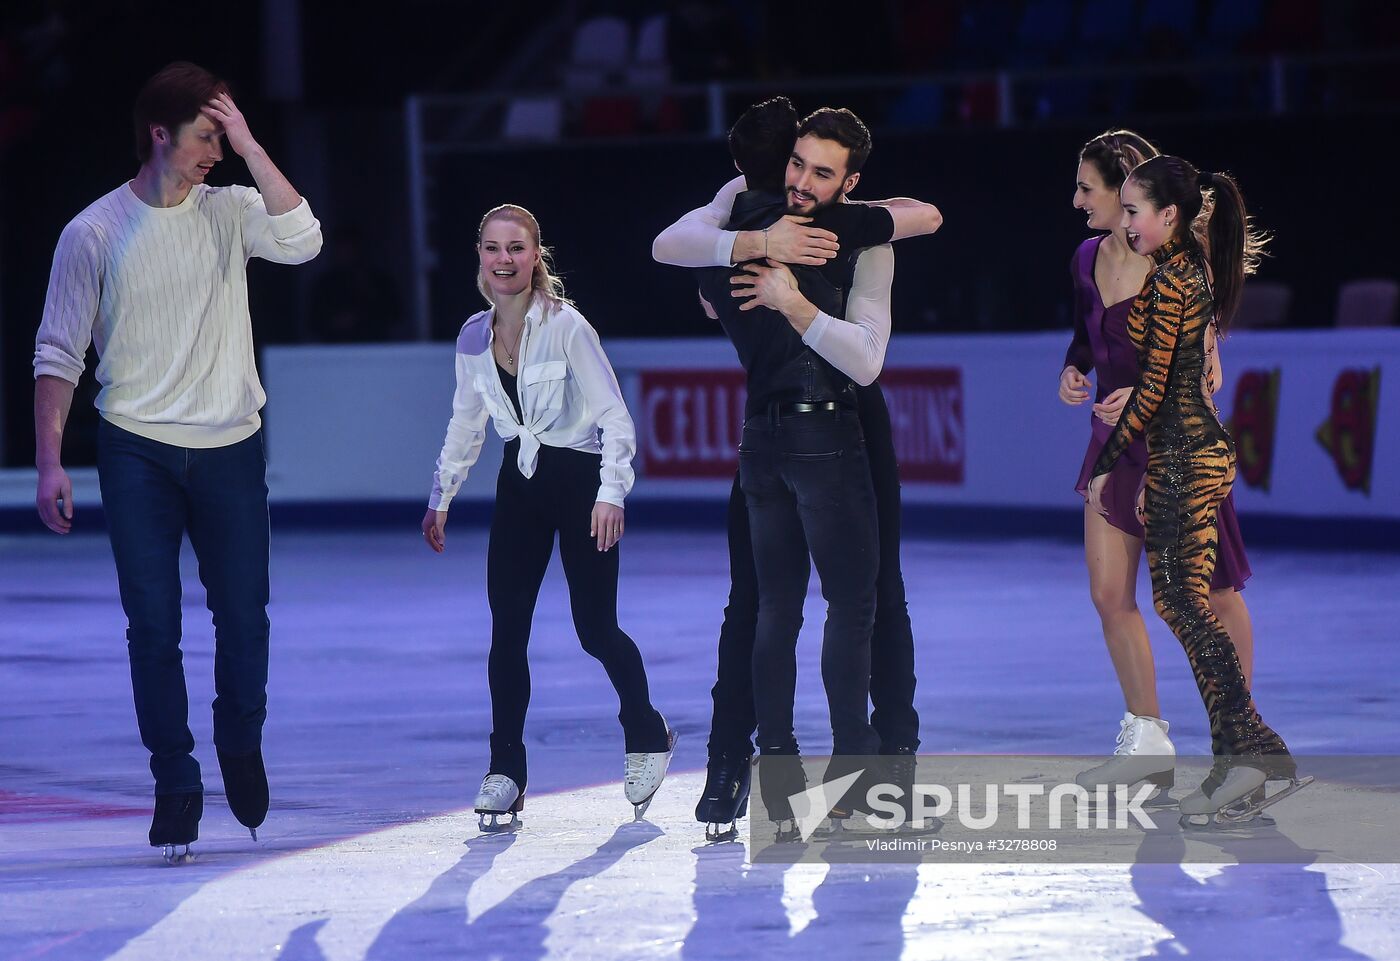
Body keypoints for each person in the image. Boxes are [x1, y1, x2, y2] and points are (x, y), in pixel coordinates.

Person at [32, 62, 323, 861]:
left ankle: (240, 739)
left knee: (245, 616)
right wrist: (51, 460)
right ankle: (175, 778)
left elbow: (304, 240)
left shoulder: (231, 211)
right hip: (136, 449)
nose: (215, 155)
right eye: (206, 137)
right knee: (154, 625)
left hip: (230, 445)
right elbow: (58, 351)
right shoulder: (93, 232)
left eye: (223, 140)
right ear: (159, 134)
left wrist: (252, 144)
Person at [654, 103, 941, 835]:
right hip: (791, 420)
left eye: (820, 171)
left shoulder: (849, 228)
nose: (802, 181)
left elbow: (921, 220)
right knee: (774, 601)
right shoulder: (748, 212)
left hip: (828, 419)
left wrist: (768, 277)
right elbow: (671, 243)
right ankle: (755, 765)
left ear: (847, 180)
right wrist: (759, 243)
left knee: (860, 594)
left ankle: (876, 764)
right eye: (795, 163)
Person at [423, 204, 674, 830]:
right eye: (492, 248)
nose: (503, 259)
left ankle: (646, 730)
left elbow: (614, 415)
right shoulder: (473, 338)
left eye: (516, 248)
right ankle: (505, 769)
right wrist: (442, 494)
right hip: (520, 486)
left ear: (536, 256)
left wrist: (611, 493)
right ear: (479, 256)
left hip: (581, 483)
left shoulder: (567, 326)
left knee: (595, 628)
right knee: (507, 631)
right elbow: (465, 423)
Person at [1087, 155, 1306, 820]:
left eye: (1133, 211)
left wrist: (1111, 460)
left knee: (1187, 605)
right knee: (1181, 604)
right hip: (1184, 451)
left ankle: (1248, 754)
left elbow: (1160, 386)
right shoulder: (1182, 272)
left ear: (1168, 214)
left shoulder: (1174, 279)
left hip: (1185, 453)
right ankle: (1249, 752)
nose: (1126, 223)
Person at [1059, 130, 1256, 797]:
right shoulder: (1086, 257)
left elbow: (1204, 373)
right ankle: (1146, 741)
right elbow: (1088, 334)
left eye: (1087, 187)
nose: (1077, 200)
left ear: (1126, 190)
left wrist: (1153, 394)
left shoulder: (1178, 267)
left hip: (1174, 444)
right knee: (1109, 593)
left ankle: (1241, 746)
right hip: (1111, 444)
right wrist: (1074, 367)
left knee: (1213, 595)